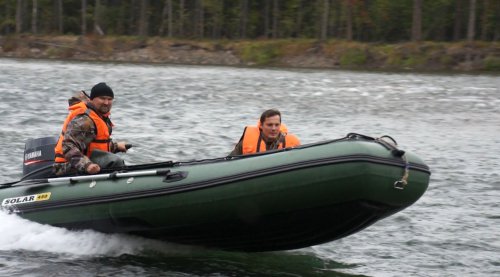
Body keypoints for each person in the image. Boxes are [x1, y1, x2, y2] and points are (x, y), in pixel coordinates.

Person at [53, 82, 128, 175]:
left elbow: (94, 146)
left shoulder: (100, 117)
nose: (106, 102)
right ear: (92, 99)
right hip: (65, 167)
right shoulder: (85, 120)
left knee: (115, 163)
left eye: (109, 99)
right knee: (115, 161)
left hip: (83, 163)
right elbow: (68, 146)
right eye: (102, 98)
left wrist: (116, 147)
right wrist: (87, 165)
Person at [229, 109, 301, 156]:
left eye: (277, 125)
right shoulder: (246, 142)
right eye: (269, 125)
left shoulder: (291, 143)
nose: (273, 128)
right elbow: (231, 161)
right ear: (261, 125)